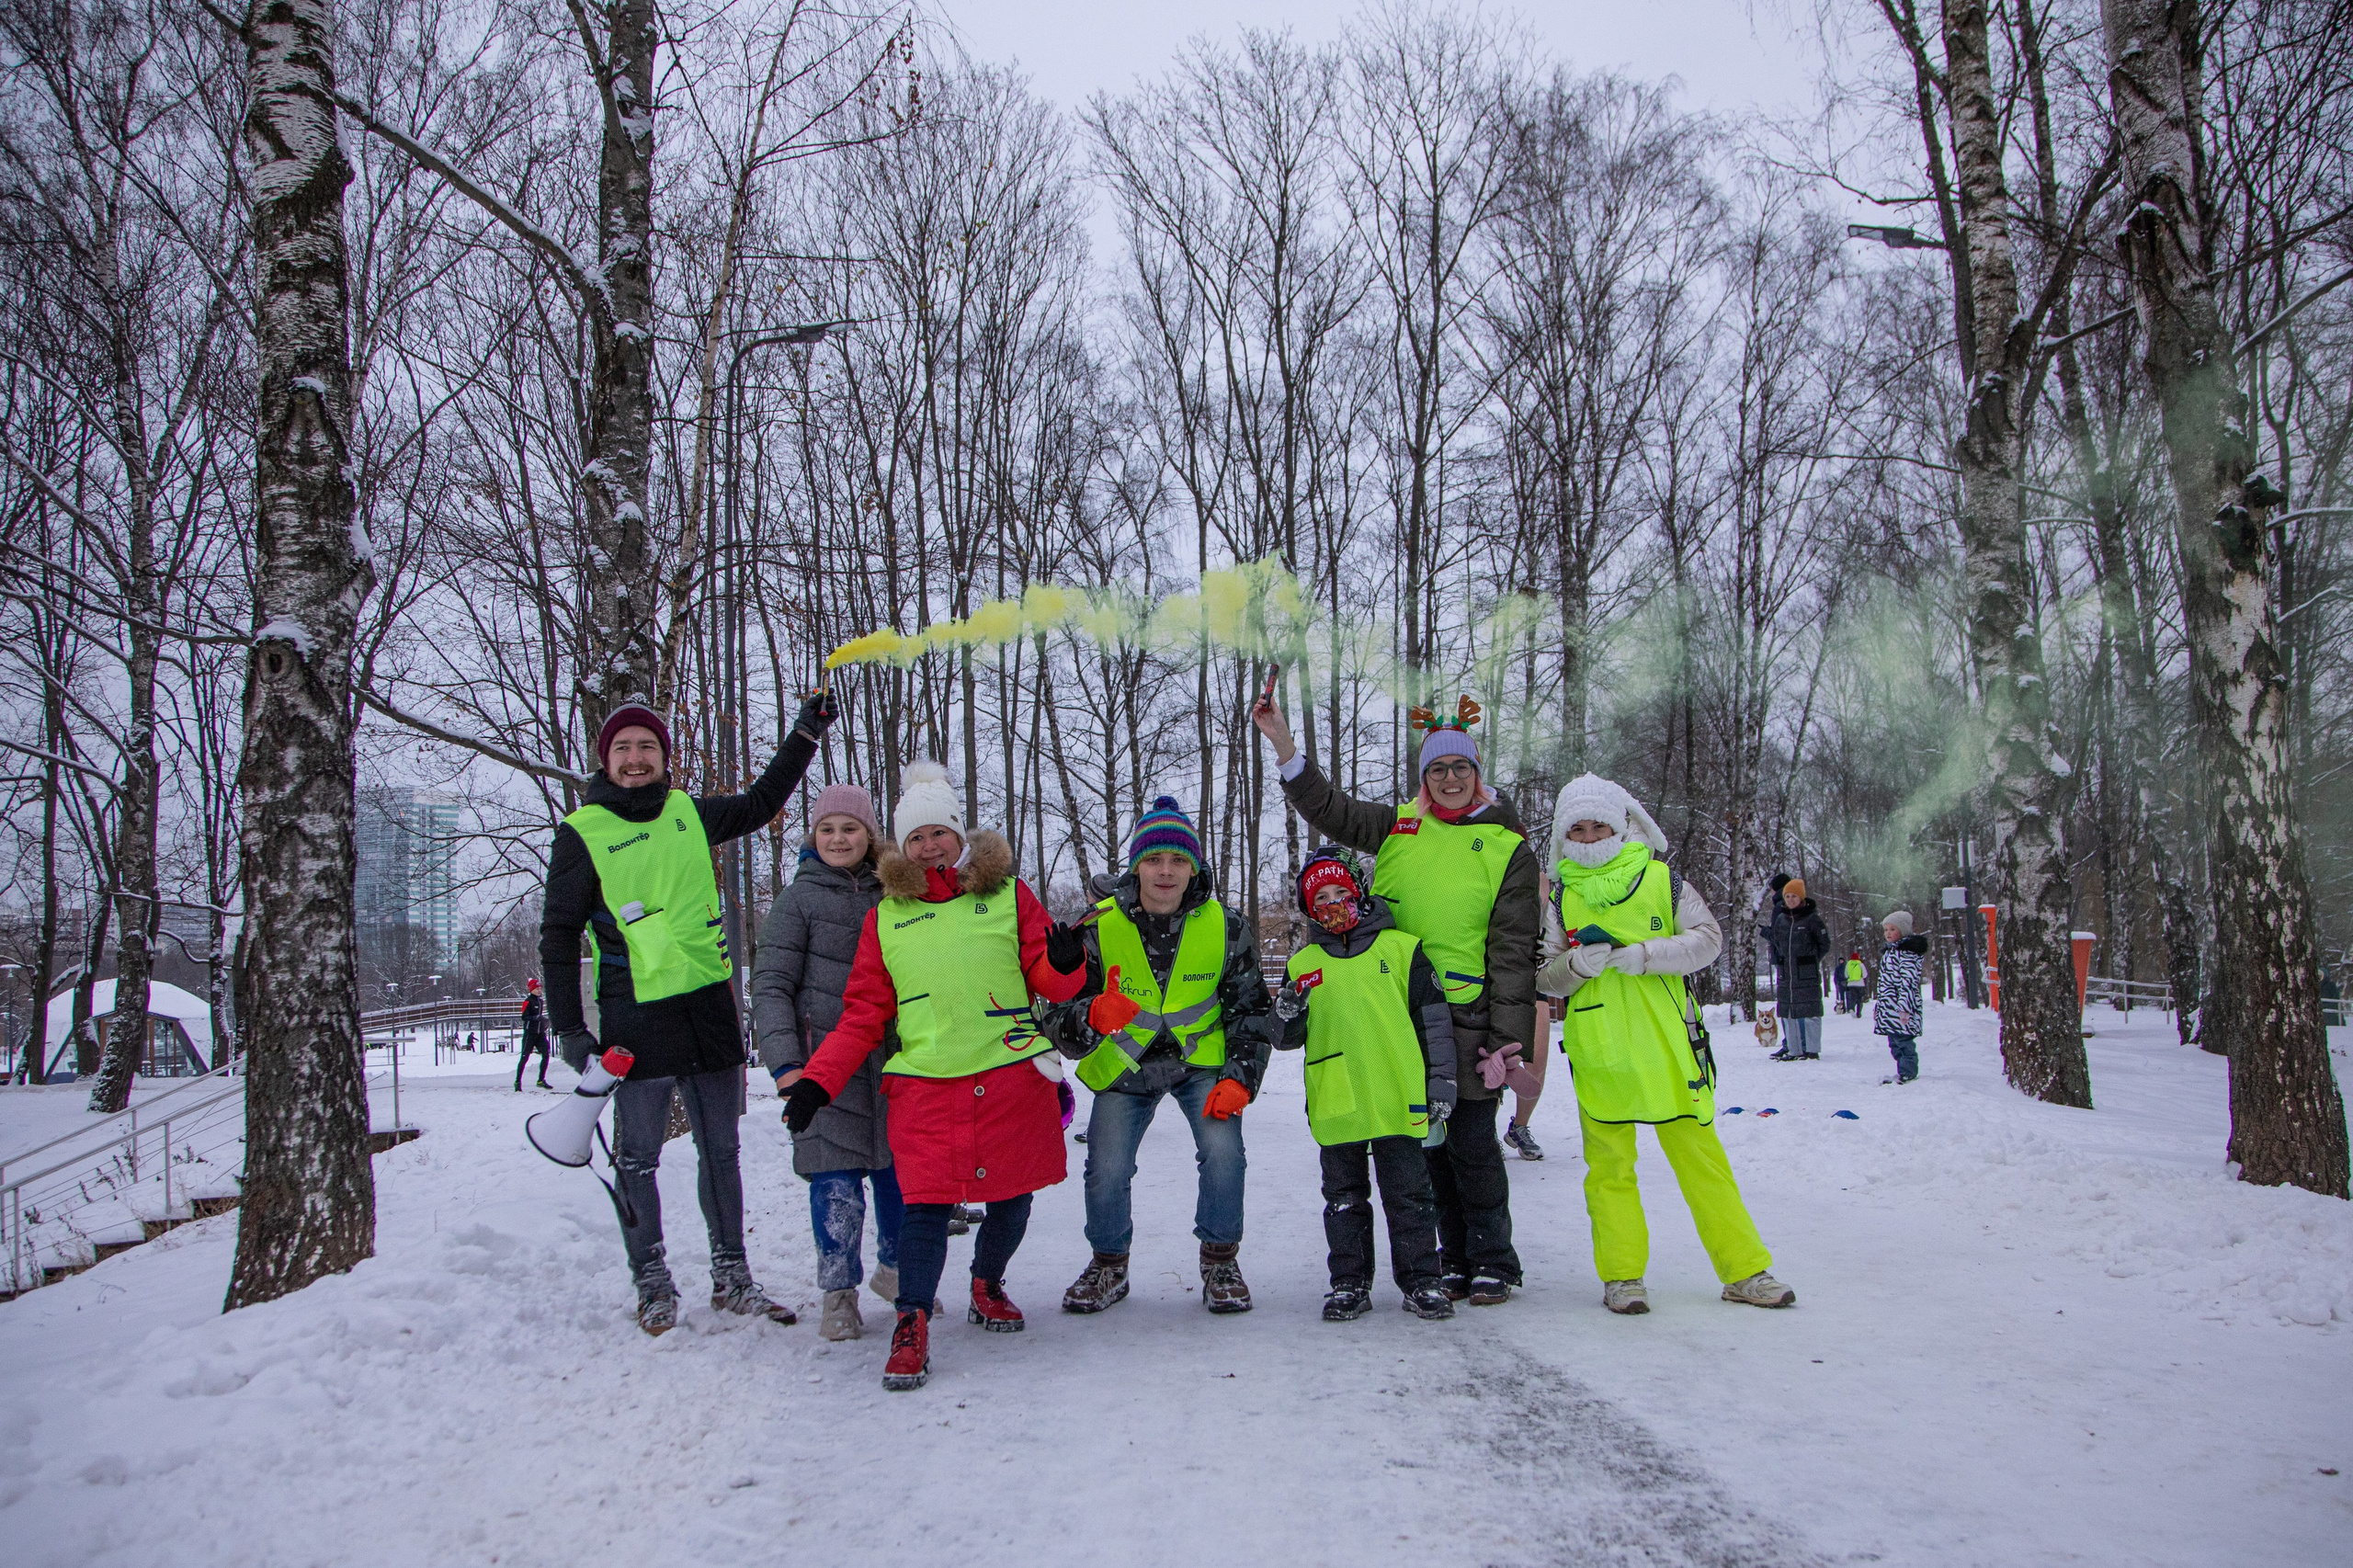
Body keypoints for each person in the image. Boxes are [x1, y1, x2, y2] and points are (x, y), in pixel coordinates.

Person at [782, 762, 1091, 1392]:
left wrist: (1066, 962)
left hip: (1009, 1073)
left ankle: (986, 1282)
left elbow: (1050, 979)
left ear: (959, 836)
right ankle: (911, 1321)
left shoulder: (1008, 894)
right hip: (926, 1084)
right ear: (901, 845)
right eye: (916, 837)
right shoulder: (887, 916)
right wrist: (817, 1081)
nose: (929, 846)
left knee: (1012, 1197)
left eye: (939, 834)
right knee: (923, 1205)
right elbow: (862, 1015)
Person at [540, 691, 834, 1335]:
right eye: (624, 748)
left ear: (664, 757)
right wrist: (567, 1028)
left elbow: (760, 803)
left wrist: (805, 735)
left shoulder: (688, 814)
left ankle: (732, 1277)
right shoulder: (581, 834)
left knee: (721, 1151)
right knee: (637, 1158)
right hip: (635, 1017)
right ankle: (652, 1282)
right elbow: (558, 935)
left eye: (648, 746)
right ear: (606, 760)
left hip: (708, 1008)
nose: (637, 757)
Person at [1252, 693, 1537, 1305]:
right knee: (1422, 1147)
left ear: (1477, 772)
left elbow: (1514, 949)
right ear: (1425, 777)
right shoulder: (1399, 827)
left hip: (1463, 1015)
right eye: (1438, 769)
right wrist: (1283, 745)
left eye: (1461, 767)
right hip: (1391, 1007)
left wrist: (1506, 1038)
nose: (1451, 778)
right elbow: (1329, 808)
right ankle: (1450, 1259)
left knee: (1471, 1140)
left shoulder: (1508, 845)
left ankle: (1492, 1259)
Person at [1540, 775, 1794, 1315]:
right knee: (1609, 1171)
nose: (1588, 838)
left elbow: (1709, 940)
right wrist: (1574, 967)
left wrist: (1648, 955)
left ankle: (1745, 1270)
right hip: (1601, 1054)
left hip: (1670, 1049)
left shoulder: (1663, 880)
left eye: (1598, 826)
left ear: (1622, 824)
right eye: (1577, 830)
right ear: (1565, 837)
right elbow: (1544, 974)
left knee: (1703, 1162)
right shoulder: (1561, 895)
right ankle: (1622, 1277)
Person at [1040, 797, 1274, 1315]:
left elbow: (1252, 1010)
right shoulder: (1097, 928)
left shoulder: (1226, 925)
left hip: (1201, 1064)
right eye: (1153, 860)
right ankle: (1109, 1264)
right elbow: (1059, 1023)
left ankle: (1219, 1259)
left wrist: (1241, 1078)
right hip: (1127, 1066)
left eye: (1177, 861)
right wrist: (1089, 1013)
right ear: (1135, 866)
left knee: (1223, 1152)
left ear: (1194, 867)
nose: (1165, 872)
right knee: (1106, 1165)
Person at [1273, 849, 1458, 1322]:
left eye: (1341, 893)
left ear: (1359, 895)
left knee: (1410, 1195)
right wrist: (1286, 1014)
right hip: (1338, 1098)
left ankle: (1422, 1280)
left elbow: (1433, 1022)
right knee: (1343, 1197)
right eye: (1321, 898)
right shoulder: (1303, 966)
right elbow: (1286, 1037)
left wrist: (1442, 1082)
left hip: (1398, 1093)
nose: (1333, 903)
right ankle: (1350, 1283)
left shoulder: (1402, 949)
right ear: (1309, 910)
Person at [752, 782, 898, 1343]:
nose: (839, 838)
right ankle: (838, 1292)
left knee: (898, 1176)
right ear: (814, 836)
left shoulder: (893, 895)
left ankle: (896, 1270)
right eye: (828, 829)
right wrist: (788, 1066)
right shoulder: (797, 900)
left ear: (870, 835)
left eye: (851, 828)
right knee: (834, 1184)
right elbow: (770, 985)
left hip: (890, 1062)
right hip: (823, 1070)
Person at [1758, 876, 1828, 1061]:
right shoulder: (1781, 918)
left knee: (1810, 1011)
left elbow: (1824, 943)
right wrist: (1780, 956)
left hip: (1806, 974)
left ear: (1801, 898)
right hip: (1786, 973)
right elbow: (1778, 940)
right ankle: (1794, 1050)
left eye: (1794, 896)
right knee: (1789, 1011)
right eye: (1787, 896)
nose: (1790, 899)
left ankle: (1811, 1050)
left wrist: (1810, 961)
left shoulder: (1812, 918)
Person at [1872, 911, 1928, 1085]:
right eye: (1886, 929)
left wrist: (1905, 1008)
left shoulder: (1907, 954)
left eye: (1892, 929)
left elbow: (1908, 983)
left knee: (1904, 1042)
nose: (1888, 933)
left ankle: (1908, 1072)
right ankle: (1902, 1071)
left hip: (1901, 1008)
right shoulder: (1891, 952)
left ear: (1903, 931)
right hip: (1889, 1007)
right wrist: (1880, 1008)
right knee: (1895, 1043)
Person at [513, 978, 550, 1091]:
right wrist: (535, 1018)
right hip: (530, 1034)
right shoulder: (528, 1001)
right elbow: (524, 1017)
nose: (539, 991)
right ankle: (518, 1081)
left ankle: (541, 1079)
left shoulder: (540, 1001)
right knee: (524, 1057)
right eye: (537, 989)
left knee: (546, 1053)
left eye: (540, 989)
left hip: (540, 1033)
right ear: (532, 990)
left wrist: (544, 1022)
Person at [1840, 950, 1868, 1016]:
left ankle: (1852, 1008)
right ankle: (1859, 1013)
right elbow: (1865, 975)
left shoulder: (1848, 964)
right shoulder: (1860, 964)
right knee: (1859, 998)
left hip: (1851, 984)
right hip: (1860, 984)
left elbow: (1846, 975)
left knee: (1852, 997)